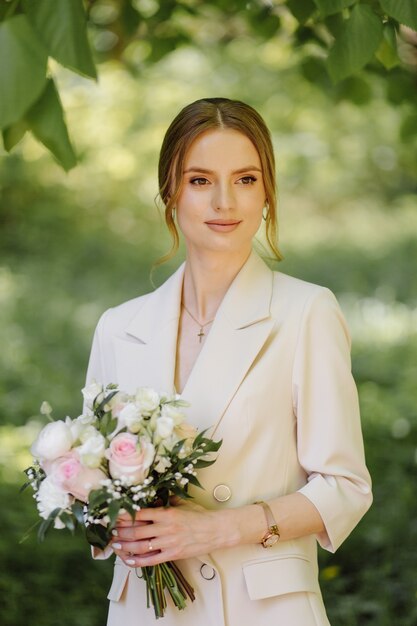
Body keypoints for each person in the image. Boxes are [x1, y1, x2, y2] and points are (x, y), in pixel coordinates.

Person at [85, 97, 372, 626]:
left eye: (245, 179)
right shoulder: (118, 328)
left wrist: (216, 529)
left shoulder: (305, 312)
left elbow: (345, 487)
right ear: (169, 193)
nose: (224, 201)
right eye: (199, 180)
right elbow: (93, 487)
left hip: (260, 609)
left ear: (266, 194)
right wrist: (109, 513)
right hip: (145, 610)